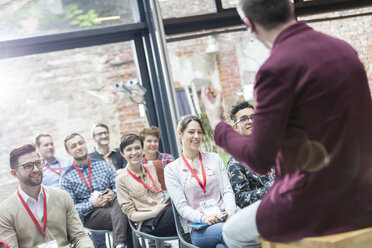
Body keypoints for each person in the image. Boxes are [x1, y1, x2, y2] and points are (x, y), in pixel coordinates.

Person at [201, 0, 372, 247]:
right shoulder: (344, 50)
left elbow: (259, 159)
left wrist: (218, 123)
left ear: (250, 26)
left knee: (232, 233)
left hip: (310, 202)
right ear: (291, 6)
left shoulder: (275, 69)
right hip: (363, 195)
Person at [0, 144, 93, 247]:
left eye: (38, 163)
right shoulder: (5, 212)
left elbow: (79, 236)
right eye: (28, 166)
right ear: (14, 173)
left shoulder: (62, 197)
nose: (36, 169)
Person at [164, 115, 236, 248]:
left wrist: (231, 212)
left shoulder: (214, 159)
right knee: (229, 231)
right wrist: (203, 218)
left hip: (225, 218)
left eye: (199, 132)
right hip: (200, 228)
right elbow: (182, 207)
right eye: (191, 132)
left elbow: (227, 190)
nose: (196, 136)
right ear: (180, 134)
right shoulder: (172, 169)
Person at [61, 133, 132, 248]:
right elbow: (71, 209)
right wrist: (92, 204)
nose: (79, 147)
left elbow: (118, 187)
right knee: (125, 215)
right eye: (73, 146)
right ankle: (119, 244)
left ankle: (119, 244)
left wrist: (112, 193)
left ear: (85, 144)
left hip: (113, 204)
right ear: (68, 152)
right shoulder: (66, 178)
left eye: (80, 143)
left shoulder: (102, 165)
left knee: (121, 200)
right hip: (91, 214)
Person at [116, 134, 177, 242]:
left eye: (137, 148)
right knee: (178, 212)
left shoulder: (154, 167)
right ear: (122, 153)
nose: (134, 152)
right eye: (129, 149)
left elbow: (167, 190)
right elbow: (132, 215)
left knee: (183, 206)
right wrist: (154, 212)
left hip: (166, 213)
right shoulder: (121, 179)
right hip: (148, 223)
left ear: (142, 149)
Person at [227, 101, 274, 208]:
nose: (250, 121)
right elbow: (241, 198)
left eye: (253, 117)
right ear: (235, 128)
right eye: (243, 119)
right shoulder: (235, 162)